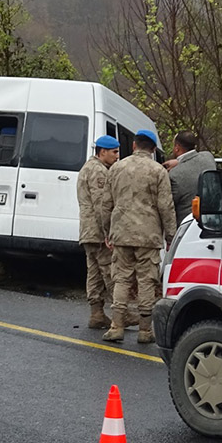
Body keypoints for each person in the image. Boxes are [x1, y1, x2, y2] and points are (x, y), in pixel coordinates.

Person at [102, 129, 176, 344]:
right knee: (146, 280)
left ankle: (117, 326)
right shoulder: (158, 172)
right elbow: (166, 206)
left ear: (134, 145)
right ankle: (145, 330)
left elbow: (106, 204)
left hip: (121, 233)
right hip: (148, 235)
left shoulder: (116, 168)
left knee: (121, 278)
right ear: (153, 149)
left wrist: (108, 231)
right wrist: (170, 235)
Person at [77, 135, 119, 329]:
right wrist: (108, 232)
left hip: (87, 231)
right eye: (114, 152)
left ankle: (97, 313)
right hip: (98, 231)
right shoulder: (98, 171)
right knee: (110, 272)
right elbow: (101, 205)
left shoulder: (87, 167)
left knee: (93, 272)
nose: (117, 156)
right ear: (103, 152)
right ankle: (121, 313)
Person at [167, 130, 217, 223]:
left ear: (177, 148)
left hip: (188, 225)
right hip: (211, 220)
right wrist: (180, 162)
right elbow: (193, 161)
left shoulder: (174, 175)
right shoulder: (208, 157)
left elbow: (169, 205)